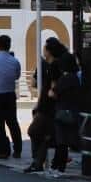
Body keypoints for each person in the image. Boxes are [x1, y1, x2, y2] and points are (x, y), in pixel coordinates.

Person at [25, 38, 67, 174]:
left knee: (33, 131)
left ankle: (37, 161)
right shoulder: (50, 65)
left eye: (45, 48)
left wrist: (50, 93)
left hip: (48, 107)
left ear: (49, 51)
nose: (43, 50)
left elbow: (53, 87)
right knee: (44, 135)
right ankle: (37, 162)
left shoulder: (54, 66)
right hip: (47, 106)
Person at [46, 53, 81, 178]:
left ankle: (57, 168)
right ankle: (59, 168)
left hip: (62, 112)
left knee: (61, 141)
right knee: (65, 142)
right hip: (73, 112)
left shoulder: (65, 78)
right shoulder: (76, 78)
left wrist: (52, 90)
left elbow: (52, 93)